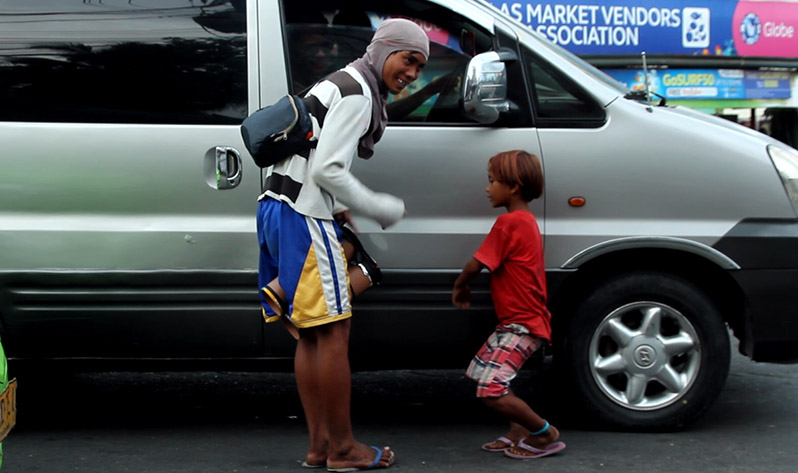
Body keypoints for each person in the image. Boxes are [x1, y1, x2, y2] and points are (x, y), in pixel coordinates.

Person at [256, 19, 429, 471]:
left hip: (278, 208)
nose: (413, 73)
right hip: (304, 216)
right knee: (333, 333)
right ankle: (345, 449)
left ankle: (320, 447)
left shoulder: (342, 79)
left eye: (420, 66)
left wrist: (337, 207)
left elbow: (312, 154)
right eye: (408, 59)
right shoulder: (359, 92)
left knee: (312, 334)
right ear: (385, 49)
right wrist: (378, 205)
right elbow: (328, 169)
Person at [452, 150, 566, 460]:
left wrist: (461, 284)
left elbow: (477, 264)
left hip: (523, 324)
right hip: (519, 322)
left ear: (513, 186)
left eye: (492, 181)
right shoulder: (526, 221)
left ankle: (545, 434)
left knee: (490, 387)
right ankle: (518, 431)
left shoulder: (509, 222)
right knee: (481, 374)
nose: (487, 188)